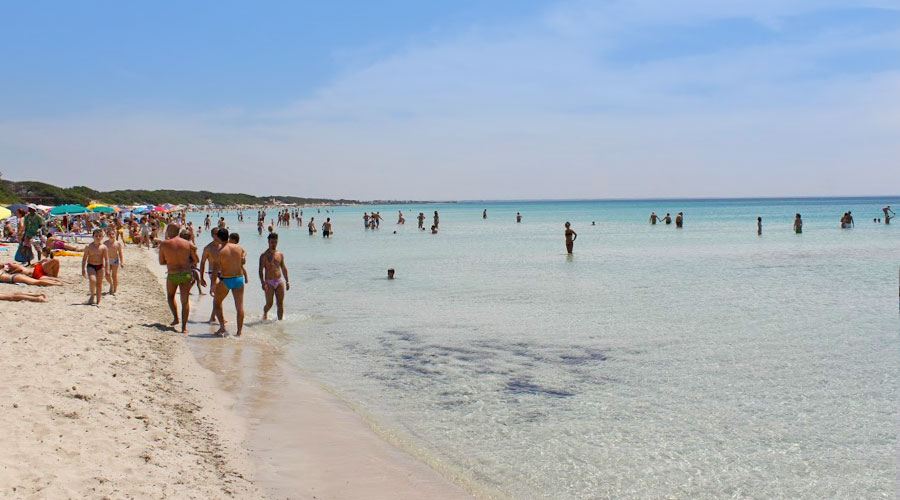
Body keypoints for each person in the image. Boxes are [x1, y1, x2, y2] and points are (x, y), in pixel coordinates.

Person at [159, 223, 198, 333]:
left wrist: (172, 261)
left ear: (170, 230)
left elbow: (161, 262)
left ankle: (176, 318)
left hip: (172, 274)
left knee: (171, 297)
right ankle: (184, 328)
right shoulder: (187, 244)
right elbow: (195, 260)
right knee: (185, 301)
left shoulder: (164, 244)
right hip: (186, 274)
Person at [213, 228, 246, 336]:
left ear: (218, 237)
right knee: (239, 306)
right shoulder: (238, 247)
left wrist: (213, 284)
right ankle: (239, 332)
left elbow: (215, 269)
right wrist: (243, 257)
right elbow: (244, 252)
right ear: (228, 236)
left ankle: (222, 327)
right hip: (239, 279)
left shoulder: (219, 252)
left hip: (226, 279)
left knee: (217, 303)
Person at [259, 232, 290, 320]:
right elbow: (260, 270)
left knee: (280, 303)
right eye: (272, 242)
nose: (274, 244)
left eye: (275, 242)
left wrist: (287, 281)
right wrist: (262, 283)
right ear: (268, 242)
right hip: (269, 282)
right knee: (269, 304)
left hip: (279, 281)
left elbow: (283, 268)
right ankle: (265, 313)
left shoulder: (280, 254)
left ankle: (280, 324)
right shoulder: (264, 255)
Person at [81, 229, 110, 306]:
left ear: (102, 237)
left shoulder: (104, 247)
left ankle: (99, 300)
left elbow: (106, 259)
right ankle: (92, 295)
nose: (98, 237)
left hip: (100, 266)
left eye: (100, 236)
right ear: (93, 236)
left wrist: (107, 270)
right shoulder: (88, 246)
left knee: (99, 284)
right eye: (96, 236)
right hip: (91, 265)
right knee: (93, 280)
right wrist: (83, 269)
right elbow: (84, 258)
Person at [104, 227, 124, 295]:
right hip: (108, 260)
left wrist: (122, 262)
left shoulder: (117, 243)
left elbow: (120, 253)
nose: (111, 235)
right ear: (107, 235)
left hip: (115, 260)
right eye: (110, 234)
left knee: (114, 276)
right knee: (107, 275)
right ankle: (111, 284)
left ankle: (115, 290)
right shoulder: (105, 243)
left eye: (113, 234)